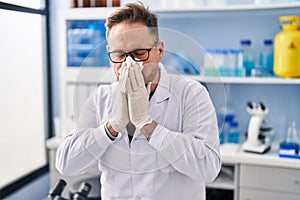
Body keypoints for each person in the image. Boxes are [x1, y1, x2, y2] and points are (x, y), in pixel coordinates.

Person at [56, 2, 221, 200]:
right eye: (120, 55)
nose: (129, 64)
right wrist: (112, 126)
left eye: (139, 54)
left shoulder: (191, 94)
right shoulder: (101, 98)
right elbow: (66, 163)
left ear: (159, 51)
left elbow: (208, 168)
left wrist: (147, 124)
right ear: (110, 55)